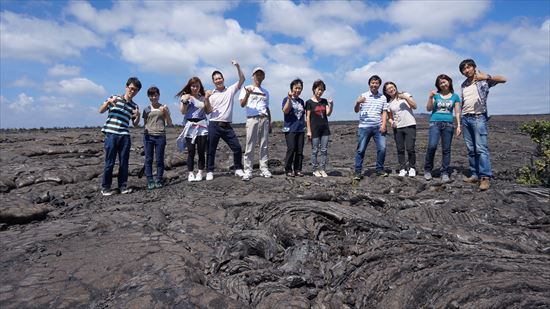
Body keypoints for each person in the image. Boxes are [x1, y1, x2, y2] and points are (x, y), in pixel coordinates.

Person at [459, 59, 506, 190]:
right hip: (466, 118)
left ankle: (485, 177)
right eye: (464, 69)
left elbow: (503, 79)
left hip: (478, 117)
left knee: (481, 148)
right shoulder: (463, 85)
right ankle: (475, 174)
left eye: (468, 67)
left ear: (474, 67)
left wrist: (486, 76)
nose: (466, 70)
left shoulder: (483, 80)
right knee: (470, 149)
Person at [98, 77, 141, 196]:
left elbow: (135, 124)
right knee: (109, 162)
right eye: (131, 88)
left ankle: (122, 186)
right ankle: (105, 188)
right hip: (111, 134)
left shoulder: (134, 106)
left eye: (135, 90)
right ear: (126, 87)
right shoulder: (114, 98)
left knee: (124, 163)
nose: (132, 91)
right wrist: (107, 102)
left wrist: (138, 115)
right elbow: (101, 110)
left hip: (124, 136)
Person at [204, 60, 246, 181]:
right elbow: (207, 111)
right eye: (216, 79)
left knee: (237, 148)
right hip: (214, 124)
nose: (218, 80)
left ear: (223, 79)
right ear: (213, 81)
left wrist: (238, 66)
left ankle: (238, 169)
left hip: (227, 125)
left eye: (220, 78)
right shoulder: (211, 94)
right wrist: (206, 98)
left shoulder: (230, 90)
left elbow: (242, 79)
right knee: (211, 150)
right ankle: (210, 171)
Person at [424, 74, 461, 182]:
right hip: (435, 123)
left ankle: (444, 172)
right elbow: (428, 108)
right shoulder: (436, 96)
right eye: (440, 83)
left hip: (449, 124)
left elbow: (457, 112)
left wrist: (459, 125)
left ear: (449, 82)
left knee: (446, 149)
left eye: (444, 82)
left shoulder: (455, 96)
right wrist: (430, 97)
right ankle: (427, 170)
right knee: (432, 146)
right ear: (438, 85)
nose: (443, 84)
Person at [239, 67, 272, 181]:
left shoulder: (266, 92)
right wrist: (248, 95)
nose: (258, 77)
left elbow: (267, 108)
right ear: (253, 76)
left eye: (261, 75)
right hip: (252, 119)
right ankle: (248, 171)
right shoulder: (246, 88)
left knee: (264, 145)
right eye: (256, 74)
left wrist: (270, 122)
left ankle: (264, 168)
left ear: (263, 77)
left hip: (264, 119)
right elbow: (242, 104)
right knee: (250, 146)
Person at [353, 75, 388, 180]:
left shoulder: (383, 97)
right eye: (373, 83)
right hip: (364, 127)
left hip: (378, 126)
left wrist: (383, 125)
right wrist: (358, 102)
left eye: (376, 83)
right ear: (369, 84)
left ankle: (379, 170)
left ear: (379, 85)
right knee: (361, 150)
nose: (374, 85)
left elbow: (384, 112)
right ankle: (357, 172)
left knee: (382, 148)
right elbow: (356, 110)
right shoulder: (363, 95)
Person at [176, 77, 211, 182]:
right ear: (189, 86)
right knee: (191, 151)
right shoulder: (186, 97)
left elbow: (209, 111)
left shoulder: (203, 97)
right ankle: (190, 173)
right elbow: (182, 111)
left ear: (200, 87)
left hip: (202, 125)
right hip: (190, 126)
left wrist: (207, 99)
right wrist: (185, 101)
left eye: (197, 86)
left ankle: (200, 172)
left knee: (201, 151)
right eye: (193, 86)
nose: (195, 88)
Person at [384, 82, 418, 177]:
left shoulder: (405, 94)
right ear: (386, 92)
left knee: (410, 148)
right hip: (398, 127)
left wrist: (405, 98)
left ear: (395, 87)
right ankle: (402, 168)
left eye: (392, 87)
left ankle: (412, 168)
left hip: (410, 124)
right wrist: (391, 122)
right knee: (400, 149)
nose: (391, 89)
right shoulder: (389, 103)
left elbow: (414, 106)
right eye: (388, 89)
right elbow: (390, 117)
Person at [142, 86, 172, 190]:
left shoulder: (163, 107)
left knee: (159, 160)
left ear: (158, 95)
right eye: (151, 95)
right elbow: (145, 123)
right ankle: (150, 180)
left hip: (160, 136)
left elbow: (169, 123)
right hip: (148, 137)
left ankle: (159, 180)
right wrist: (146, 131)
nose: (153, 97)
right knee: (148, 159)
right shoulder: (146, 109)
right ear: (148, 96)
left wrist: (165, 112)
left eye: (155, 95)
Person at [305, 79, 333, 177]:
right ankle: (314, 169)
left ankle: (322, 169)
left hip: (325, 129)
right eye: (318, 89)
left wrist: (331, 104)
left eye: (322, 90)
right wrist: (309, 131)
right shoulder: (308, 102)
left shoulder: (324, 101)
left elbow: (328, 113)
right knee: (314, 150)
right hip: (314, 130)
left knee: (324, 150)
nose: (320, 92)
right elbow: (307, 117)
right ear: (314, 89)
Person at [282, 78, 306, 177]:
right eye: (296, 88)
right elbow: (285, 111)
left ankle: (297, 169)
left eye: (300, 88)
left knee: (299, 151)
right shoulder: (286, 99)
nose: (298, 90)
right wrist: (289, 99)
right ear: (292, 88)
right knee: (291, 148)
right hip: (290, 128)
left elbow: (303, 115)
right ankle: (288, 169)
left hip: (300, 129)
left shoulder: (301, 101)